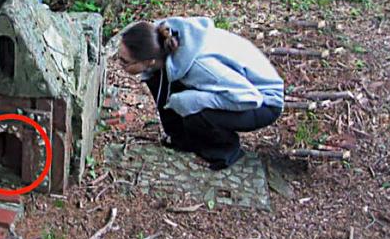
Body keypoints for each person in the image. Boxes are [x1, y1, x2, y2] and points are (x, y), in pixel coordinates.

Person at [118, 17, 284, 170]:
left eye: (124, 62)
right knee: (159, 80)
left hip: (264, 102)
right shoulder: (161, 42)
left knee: (197, 112)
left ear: (149, 61)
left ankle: (224, 151)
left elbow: (249, 98)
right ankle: (182, 140)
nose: (119, 65)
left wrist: (195, 100)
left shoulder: (202, 67)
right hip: (235, 89)